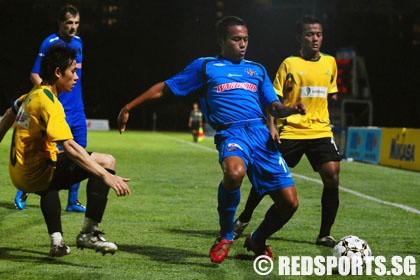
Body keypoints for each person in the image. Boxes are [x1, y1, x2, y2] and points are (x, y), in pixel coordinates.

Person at [117, 16, 306, 263]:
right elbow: (165, 88)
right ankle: (226, 234)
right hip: (231, 132)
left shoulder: (257, 70)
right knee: (234, 173)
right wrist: (128, 107)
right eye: (236, 39)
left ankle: (257, 239)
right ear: (221, 40)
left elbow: (274, 107)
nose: (243, 44)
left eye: (246, 39)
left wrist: (290, 109)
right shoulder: (205, 67)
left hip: (260, 135)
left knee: (290, 204)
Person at [0, 45, 131, 257]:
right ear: (58, 73)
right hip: (36, 174)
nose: (76, 77)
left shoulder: (32, 94)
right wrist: (105, 175)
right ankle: (89, 233)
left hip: (19, 174)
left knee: (52, 159)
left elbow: (9, 113)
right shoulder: (49, 103)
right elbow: (70, 147)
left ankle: (57, 242)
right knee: (106, 160)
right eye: (72, 71)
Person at [233, 15, 341, 248]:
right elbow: (274, 98)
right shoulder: (289, 64)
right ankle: (245, 217)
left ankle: (324, 234)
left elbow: (329, 94)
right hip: (290, 130)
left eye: (319, 34)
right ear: (300, 37)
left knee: (332, 175)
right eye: (310, 34)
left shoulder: (330, 62)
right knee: (268, 173)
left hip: (320, 130)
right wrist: (271, 126)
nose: (315, 38)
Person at [14, 4, 87, 213]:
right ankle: (25, 189)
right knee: (50, 156)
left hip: (78, 110)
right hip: (58, 110)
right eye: (69, 23)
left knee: (81, 153)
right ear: (60, 24)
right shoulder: (50, 43)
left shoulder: (80, 43)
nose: (73, 27)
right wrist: (46, 98)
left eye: (76, 23)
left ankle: (73, 201)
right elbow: (34, 74)